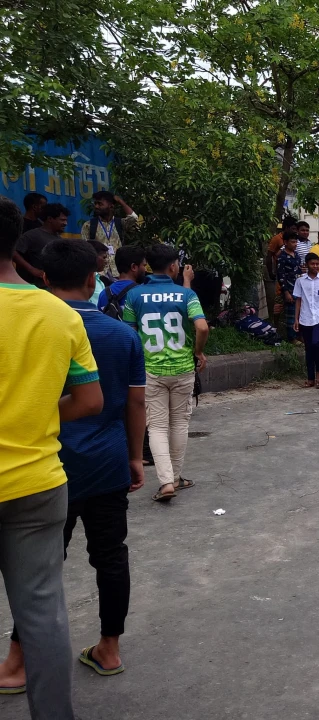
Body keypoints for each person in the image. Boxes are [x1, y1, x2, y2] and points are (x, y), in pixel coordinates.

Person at [3, 239, 145, 686]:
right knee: (110, 556)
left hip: (46, 464)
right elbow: (136, 403)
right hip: (106, 463)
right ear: (93, 280)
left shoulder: (32, 322)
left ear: (43, 278)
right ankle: (110, 648)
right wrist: (136, 459)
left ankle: (18, 661)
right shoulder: (121, 334)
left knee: (39, 572)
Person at [0, 200, 103, 717]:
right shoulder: (59, 315)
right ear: (18, 250)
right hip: (38, 483)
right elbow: (89, 400)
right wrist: (35, 414)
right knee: (41, 612)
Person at [120, 245, 207, 503]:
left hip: (150, 370)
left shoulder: (134, 295)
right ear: (173, 266)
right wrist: (198, 351)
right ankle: (176, 477)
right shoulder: (185, 295)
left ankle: (166, 482)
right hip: (182, 368)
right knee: (180, 423)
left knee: (156, 426)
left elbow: (129, 334)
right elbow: (201, 327)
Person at [291, 252, 319, 390]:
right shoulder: (300, 281)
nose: (315, 266)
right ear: (307, 265)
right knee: (308, 348)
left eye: (317, 264)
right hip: (305, 318)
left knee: (316, 344)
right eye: (313, 264)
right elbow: (298, 300)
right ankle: (310, 378)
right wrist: (296, 319)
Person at [14, 202, 69, 287]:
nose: (65, 223)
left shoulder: (59, 239)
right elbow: (13, 253)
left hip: (51, 286)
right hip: (33, 286)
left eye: (66, 220)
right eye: (62, 220)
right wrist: (32, 269)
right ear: (50, 219)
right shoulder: (32, 235)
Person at [98, 244, 148, 313]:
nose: (145, 270)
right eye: (144, 265)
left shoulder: (103, 294)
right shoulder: (144, 294)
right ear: (133, 267)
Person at [272, 232, 303, 342]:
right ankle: (291, 337)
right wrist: (286, 292)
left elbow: (299, 271)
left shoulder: (297, 255)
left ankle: (299, 335)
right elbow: (280, 275)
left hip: (299, 289)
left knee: (299, 313)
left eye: (296, 242)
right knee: (291, 314)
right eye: (293, 242)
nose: (295, 244)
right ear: (285, 242)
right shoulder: (282, 257)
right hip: (289, 289)